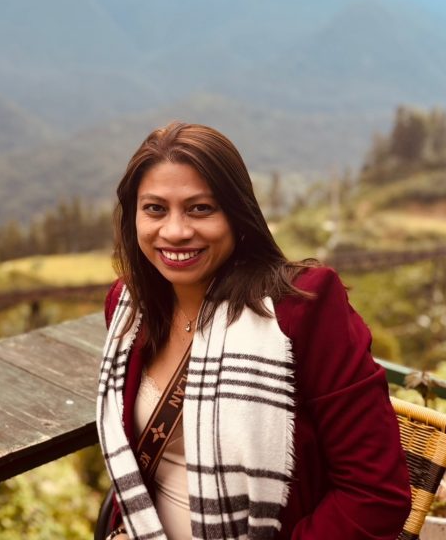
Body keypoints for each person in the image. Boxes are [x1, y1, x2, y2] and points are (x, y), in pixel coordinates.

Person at [96, 122, 411, 540]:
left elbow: (375, 495)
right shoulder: (128, 307)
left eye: (200, 208)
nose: (175, 231)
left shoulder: (301, 311)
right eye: (155, 208)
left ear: (237, 213)